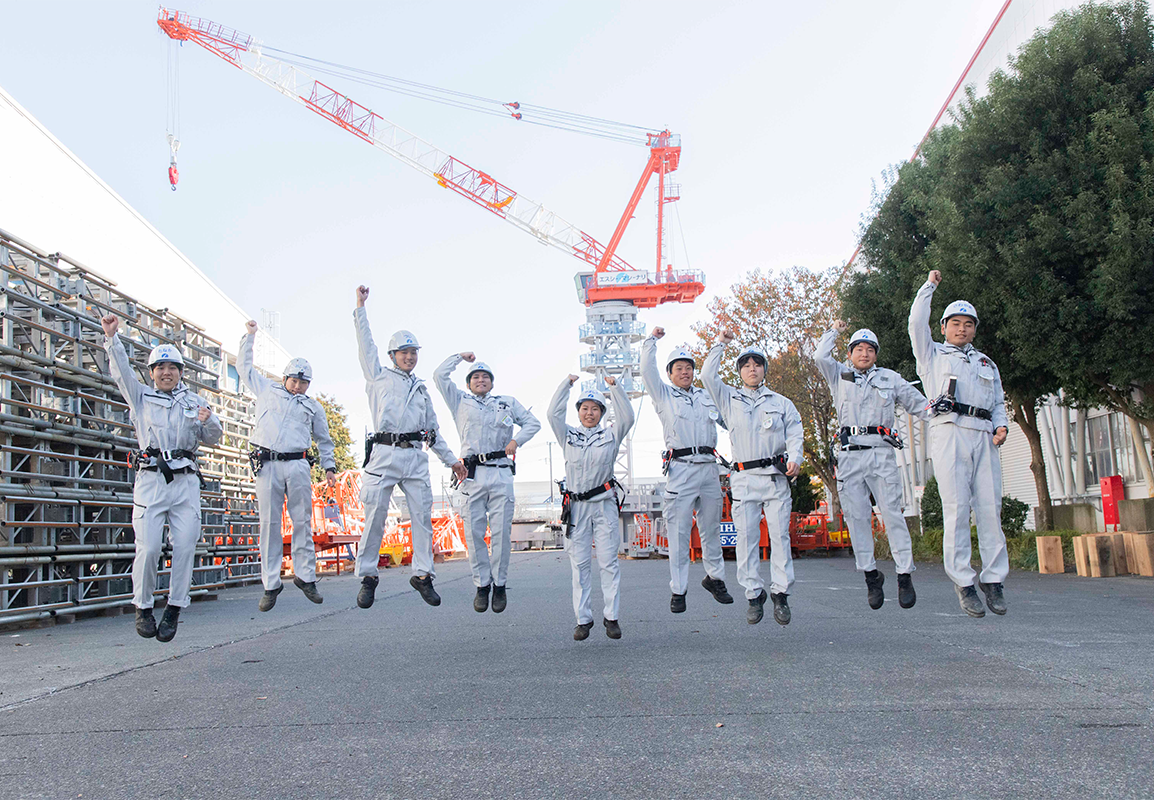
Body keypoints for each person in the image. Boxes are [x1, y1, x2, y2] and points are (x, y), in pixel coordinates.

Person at [101, 314, 223, 642]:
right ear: (152, 373)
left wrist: (209, 420)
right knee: (150, 545)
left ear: (181, 372)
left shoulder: (196, 402)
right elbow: (122, 374)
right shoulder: (141, 397)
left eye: (172, 368)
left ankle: (174, 608)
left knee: (184, 546)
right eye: (160, 368)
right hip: (152, 479)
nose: (166, 373)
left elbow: (215, 437)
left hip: (185, 482)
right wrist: (112, 340)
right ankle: (143, 606)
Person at [352, 285, 466, 609]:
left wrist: (452, 461)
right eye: (403, 352)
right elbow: (365, 345)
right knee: (375, 515)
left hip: (415, 457)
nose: (409, 356)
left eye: (413, 352)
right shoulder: (377, 377)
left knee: (422, 516)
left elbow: (433, 432)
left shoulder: (421, 391)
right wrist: (360, 307)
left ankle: (423, 575)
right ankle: (368, 576)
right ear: (392, 356)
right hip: (384, 454)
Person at [909, 270, 1010, 618]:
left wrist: (1002, 427)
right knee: (956, 508)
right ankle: (964, 581)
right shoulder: (931, 355)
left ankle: (993, 579)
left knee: (989, 508)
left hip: (983, 434)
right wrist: (929, 287)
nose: (962, 329)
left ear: (975, 329)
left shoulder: (986, 363)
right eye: (955, 323)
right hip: (949, 430)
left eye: (968, 324)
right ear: (943, 327)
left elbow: (998, 401)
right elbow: (915, 321)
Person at [815, 320, 929, 610]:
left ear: (876, 354)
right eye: (858, 349)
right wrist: (835, 331)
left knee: (892, 514)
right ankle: (870, 575)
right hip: (850, 455)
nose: (864, 354)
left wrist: (950, 418)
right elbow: (819, 356)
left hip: (881, 454)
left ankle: (904, 574)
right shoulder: (839, 374)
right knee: (857, 517)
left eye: (869, 349)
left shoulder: (890, 378)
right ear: (850, 353)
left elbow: (920, 405)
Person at [703, 331, 803, 626]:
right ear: (739, 371)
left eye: (757, 363)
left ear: (764, 369)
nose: (751, 368)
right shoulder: (727, 398)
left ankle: (781, 594)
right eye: (745, 364)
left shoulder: (782, 402)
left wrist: (795, 458)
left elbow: (795, 432)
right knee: (746, 539)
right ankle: (753, 594)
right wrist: (720, 342)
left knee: (779, 538)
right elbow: (708, 375)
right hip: (744, 478)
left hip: (774, 478)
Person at [238, 320, 338, 612]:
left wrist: (329, 467)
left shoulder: (312, 406)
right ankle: (271, 583)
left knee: (303, 521)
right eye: (293, 380)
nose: (297, 386)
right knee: (268, 523)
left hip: (297, 464)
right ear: (284, 378)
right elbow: (244, 368)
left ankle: (306, 577)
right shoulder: (266, 390)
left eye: (303, 382)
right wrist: (250, 337)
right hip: (268, 462)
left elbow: (324, 439)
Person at [434, 352, 540, 613]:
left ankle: (500, 584)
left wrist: (517, 441)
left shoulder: (505, 402)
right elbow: (439, 376)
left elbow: (532, 423)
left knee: (502, 533)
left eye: (485, 377)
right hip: (472, 474)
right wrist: (459, 357)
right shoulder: (460, 401)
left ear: (492, 382)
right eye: (475, 377)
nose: (480, 380)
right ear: (468, 383)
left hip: (501, 471)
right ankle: (482, 584)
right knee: (473, 532)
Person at [639, 327, 732, 613]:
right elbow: (646, 370)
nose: (685, 372)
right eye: (679, 368)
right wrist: (651, 341)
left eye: (689, 367)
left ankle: (715, 578)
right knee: (679, 533)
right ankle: (678, 590)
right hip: (680, 469)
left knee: (711, 530)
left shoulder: (706, 397)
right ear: (669, 373)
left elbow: (729, 422)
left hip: (708, 468)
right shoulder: (663, 395)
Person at [549, 374, 635, 641]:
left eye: (595, 408)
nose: (589, 413)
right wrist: (566, 384)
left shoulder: (611, 434)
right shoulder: (568, 435)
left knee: (609, 563)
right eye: (584, 408)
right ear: (578, 412)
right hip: (576, 508)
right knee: (580, 565)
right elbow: (553, 413)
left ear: (602, 412)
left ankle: (612, 618)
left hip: (604, 506)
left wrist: (615, 388)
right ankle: (583, 620)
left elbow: (628, 417)